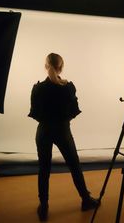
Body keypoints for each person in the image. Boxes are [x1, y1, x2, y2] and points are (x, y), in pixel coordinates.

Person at [28, 53, 99, 221]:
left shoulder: (37, 88)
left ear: (46, 67)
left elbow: (35, 113)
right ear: (61, 67)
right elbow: (74, 111)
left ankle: (43, 206)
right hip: (63, 131)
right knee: (74, 166)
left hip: (43, 132)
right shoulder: (68, 87)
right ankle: (86, 199)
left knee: (43, 169)